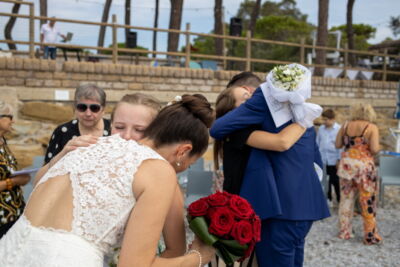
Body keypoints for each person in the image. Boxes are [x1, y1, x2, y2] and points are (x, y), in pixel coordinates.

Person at [0, 94, 215, 267]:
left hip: (8, 250)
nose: (183, 169)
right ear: (183, 151)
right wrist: (198, 256)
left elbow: (39, 182)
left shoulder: (89, 144)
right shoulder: (159, 170)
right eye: (190, 162)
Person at [36, 93, 187, 261]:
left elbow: (175, 248)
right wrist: (62, 156)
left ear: (157, 132)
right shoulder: (94, 154)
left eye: (140, 130)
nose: (127, 136)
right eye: (119, 127)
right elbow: (39, 185)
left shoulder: (160, 174)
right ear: (110, 125)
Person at [210, 71, 330, 267]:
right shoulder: (295, 117)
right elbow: (291, 148)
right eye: (245, 99)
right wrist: (303, 120)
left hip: (282, 211)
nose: (250, 99)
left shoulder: (283, 119)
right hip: (297, 209)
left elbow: (307, 157)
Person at [335, 103, 382, 245]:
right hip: (364, 168)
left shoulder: (345, 125)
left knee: (346, 199)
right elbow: (374, 149)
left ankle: (345, 232)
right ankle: (369, 236)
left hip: (347, 166)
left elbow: (337, 145)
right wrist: (379, 147)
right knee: (367, 200)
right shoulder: (371, 127)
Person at [44, 84, 111, 164]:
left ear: (103, 110)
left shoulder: (114, 129)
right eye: (82, 107)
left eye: (94, 108)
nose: (88, 113)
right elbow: (47, 168)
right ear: (75, 108)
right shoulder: (62, 131)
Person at [0, 101, 30, 238]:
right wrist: (14, 182)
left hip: (13, 214)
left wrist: (22, 177)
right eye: (10, 117)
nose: (13, 121)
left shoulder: (3, 141)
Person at [316, 109, 341, 203]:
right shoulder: (321, 129)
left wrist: (339, 159)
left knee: (335, 180)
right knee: (326, 181)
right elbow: (317, 142)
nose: (324, 122)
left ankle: (339, 199)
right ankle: (328, 198)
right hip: (323, 158)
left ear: (333, 119)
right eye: (323, 119)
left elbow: (340, 147)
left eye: (326, 119)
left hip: (334, 159)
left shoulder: (338, 129)